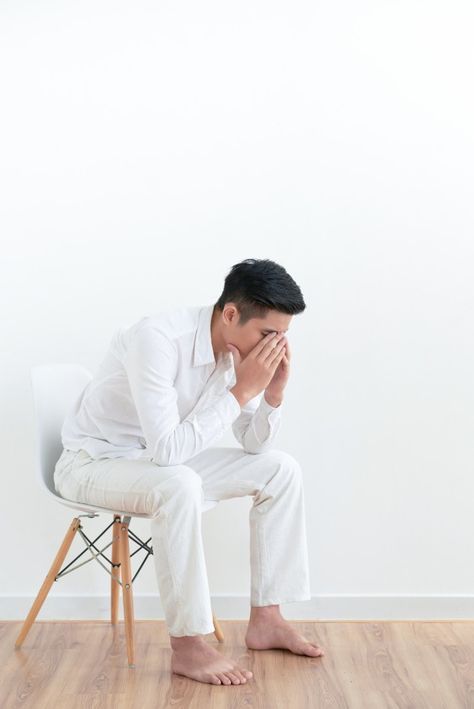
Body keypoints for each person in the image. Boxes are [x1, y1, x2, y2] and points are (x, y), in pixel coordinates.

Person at [53, 257, 324, 686]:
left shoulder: (237, 352)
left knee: (280, 469)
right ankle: (189, 644)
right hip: (93, 463)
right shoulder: (158, 340)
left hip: (153, 465)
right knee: (180, 482)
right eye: (268, 334)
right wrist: (242, 390)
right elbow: (168, 451)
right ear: (231, 314)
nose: (275, 346)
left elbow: (254, 445)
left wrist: (271, 393)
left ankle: (268, 617)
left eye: (284, 337)